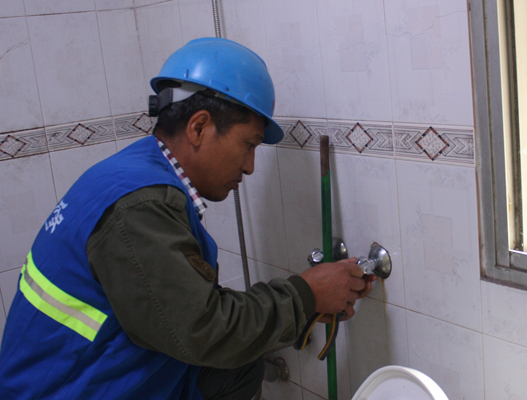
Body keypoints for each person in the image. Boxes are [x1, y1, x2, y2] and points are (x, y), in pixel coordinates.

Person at [0, 38, 374, 400]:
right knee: (225, 356)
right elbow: (204, 330)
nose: (249, 166)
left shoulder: (135, 172)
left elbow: (184, 306)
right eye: (248, 144)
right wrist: (306, 295)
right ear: (198, 127)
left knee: (239, 369)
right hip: (66, 390)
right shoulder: (141, 207)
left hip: (88, 371)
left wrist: (305, 307)